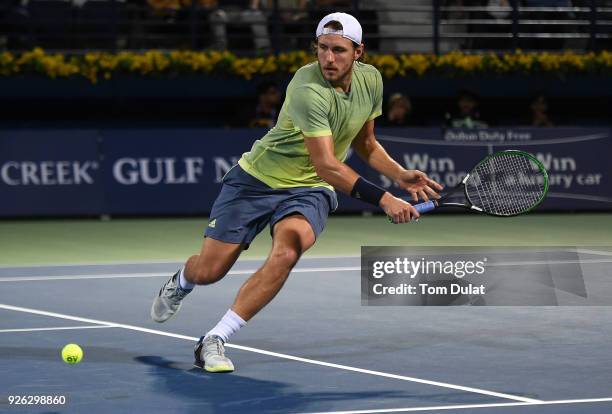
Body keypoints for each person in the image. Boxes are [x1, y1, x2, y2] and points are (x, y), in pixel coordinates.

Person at [150, 12, 442, 373]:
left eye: (338, 50)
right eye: (322, 49)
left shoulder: (372, 81)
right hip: (256, 180)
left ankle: (215, 339)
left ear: (359, 52)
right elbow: (328, 166)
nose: (328, 58)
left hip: (308, 189)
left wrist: (399, 175)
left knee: (287, 251)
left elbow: (365, 143)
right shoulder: (307, 88)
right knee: (210, 271)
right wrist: (384, 198)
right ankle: (182, 281)